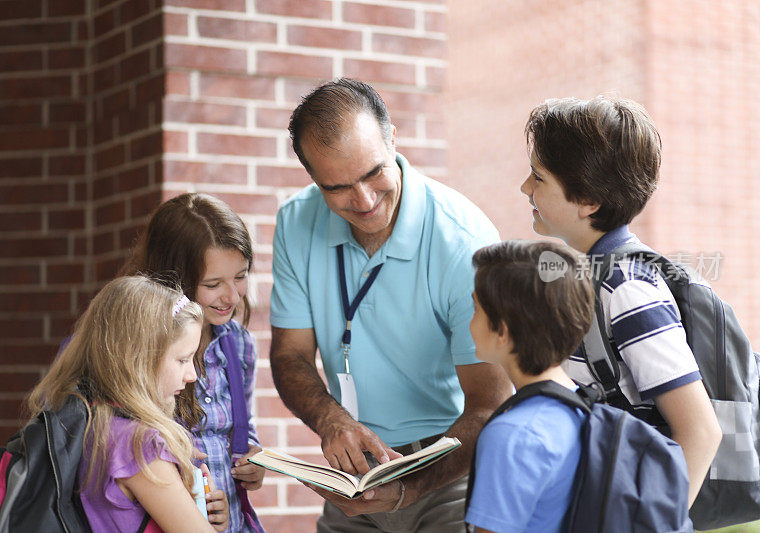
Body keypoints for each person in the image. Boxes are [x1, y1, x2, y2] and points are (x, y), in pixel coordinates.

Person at [270, 77, 513, 531]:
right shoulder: (295, 221)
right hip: (358, 475)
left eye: (372, 173)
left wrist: (409, 488)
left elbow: (491, 404)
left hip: (449, 469)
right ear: (312, 178)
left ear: (393, 139)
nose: (363, 201)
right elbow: (290, 355)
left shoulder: (464, 241)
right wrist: (330, 419)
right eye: (337, 187)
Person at [520, 95, 722, 506]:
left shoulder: (626, 288)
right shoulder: (595, 277)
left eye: (538, 178)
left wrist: (657, 523)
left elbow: (701, 431)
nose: (525, 187)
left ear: (588, 201)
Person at [120, 193, 265, 532]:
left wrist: (255, 459)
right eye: (213, 284)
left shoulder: (239, 346)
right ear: (174, 280)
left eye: (240, 276)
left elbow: (244, 427)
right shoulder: (140, 353)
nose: (232, 296)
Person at [27, 275, 218, 532]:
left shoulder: (82, 420)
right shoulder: (139, 445)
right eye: (183, 359)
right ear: (138, 359)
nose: (192, 375)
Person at [466, 240, 593, 532]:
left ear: (502, 331)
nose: (469, 321)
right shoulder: (583, 408)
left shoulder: (512, 435)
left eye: (475, 308)